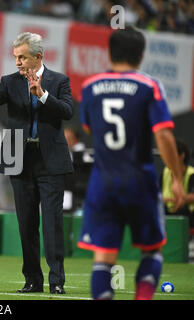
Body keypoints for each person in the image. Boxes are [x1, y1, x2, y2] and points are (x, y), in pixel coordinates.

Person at [77, 26, 186, 300]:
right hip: (139, 179)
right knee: (152, 249)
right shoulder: (149, 86)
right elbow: (163, 133)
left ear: (109, 53)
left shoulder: (90, 87)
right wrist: (175, 177)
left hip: (103, 182)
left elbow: (89, 128)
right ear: (141, 55)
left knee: (103, 256)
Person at [0, 32, 74, 294]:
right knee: (26, 224)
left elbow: (67, 111)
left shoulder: (59, 81)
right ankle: (32, 281)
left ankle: (56, 282)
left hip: (50, 161)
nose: (17, 62)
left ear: (38, 57)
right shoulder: (9, 82)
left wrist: (42, 95)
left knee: (52, 223)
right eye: (16, 57)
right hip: (19, 160)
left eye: (22, 57)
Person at [161, 140, 194, 229]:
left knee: (183, 210)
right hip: (167, 213)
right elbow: (157, 194)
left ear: (182, 156)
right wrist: (167, 199)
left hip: (188, 217)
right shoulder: (165, 172)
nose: (167, 158)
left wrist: (183, 198)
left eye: (170, 155)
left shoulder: (191, 174)